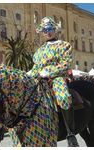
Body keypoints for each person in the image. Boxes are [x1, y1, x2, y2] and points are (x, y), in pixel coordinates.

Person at [27, 16, 78, 147]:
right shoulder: (39, 51)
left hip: (56, 78)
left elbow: (65, 65)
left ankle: (70, 132)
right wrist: (27, 75)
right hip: (39, 80)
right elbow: (35, 68)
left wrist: (49, 72)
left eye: (49, 29)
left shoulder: (64, 45)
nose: (47, 32)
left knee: (64, 97)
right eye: (44, 30)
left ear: (55, 30)